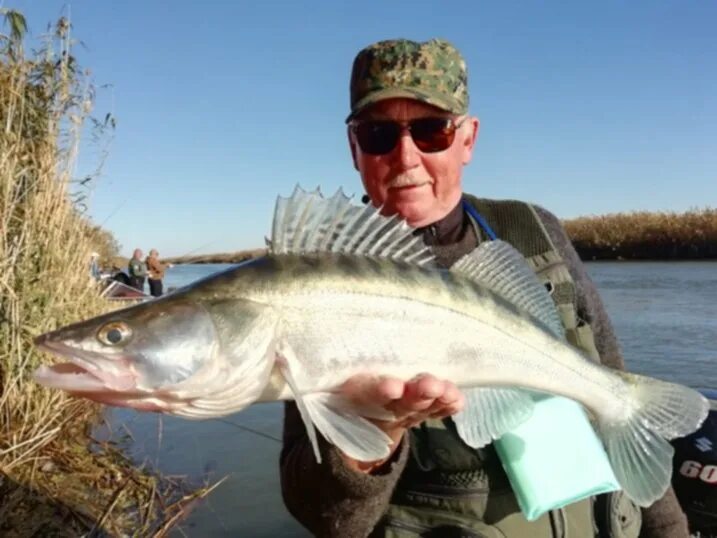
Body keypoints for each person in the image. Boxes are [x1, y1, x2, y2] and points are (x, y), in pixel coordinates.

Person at [280, 38, 690, 538]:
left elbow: (609, 375)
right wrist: (375, 432)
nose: (405, 156)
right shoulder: (318, 282)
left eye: (431, 130)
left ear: (468, 139)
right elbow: (327, 519)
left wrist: (668, 528)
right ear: (353, 147)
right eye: (378, 133)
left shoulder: (530, 229)